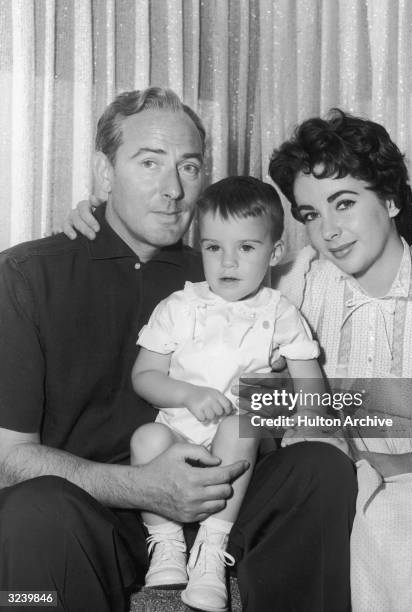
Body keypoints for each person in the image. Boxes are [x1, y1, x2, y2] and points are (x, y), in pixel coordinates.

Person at [0, 88, 357, 612]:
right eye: (149, 163)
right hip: (92, 512)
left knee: (320, 470)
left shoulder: (223, 274)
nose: (172, 189)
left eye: (189, 167)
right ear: (105, 173)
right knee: (33, 510)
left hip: (224, 493)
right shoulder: (26, 276)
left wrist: (271, 397)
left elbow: (299, 399)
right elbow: (9, 458)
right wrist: (144, 487)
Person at [268, 109, 412, 611]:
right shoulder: (297, 283)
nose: (327, 230)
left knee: (400, 509)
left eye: (343, 203)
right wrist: (97, 217)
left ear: (389, 199)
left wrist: (349, 467)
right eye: (310, 215)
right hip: (317, 482)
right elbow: (218, 264)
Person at [131, 175, 325, 612]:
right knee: (145, 438)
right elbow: (144, 375)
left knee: (241, 420)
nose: (228, 262)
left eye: (246, 248)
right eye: (214, 247)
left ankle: (210, 553)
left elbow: (309, 380)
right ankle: (166, 545)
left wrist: (309, 428)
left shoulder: (279, 311)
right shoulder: (179, 306)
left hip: (244, 448)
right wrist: (188, 394)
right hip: (181, 437)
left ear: (274, 253)